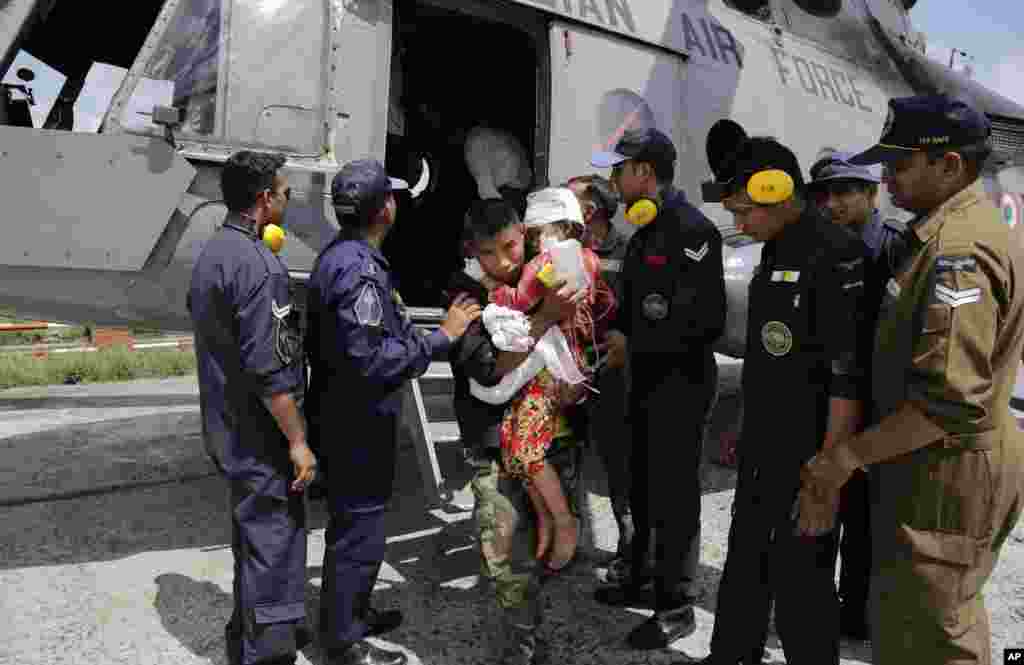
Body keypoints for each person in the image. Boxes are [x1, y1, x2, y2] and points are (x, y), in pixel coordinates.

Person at [796, 94, 1024, 665]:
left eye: (899, 166)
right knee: (904, 621)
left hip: (947, 473)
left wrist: (844, 458)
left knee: (935, 632)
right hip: (931, 464)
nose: (886, 179)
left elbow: (949, 401)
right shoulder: (941, 236)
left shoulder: (958, 251)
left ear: (949, 166)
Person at [696, 135, 871, 665]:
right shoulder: (775, 247)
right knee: (746, 558)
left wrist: (826, 475)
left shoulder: (837, 254)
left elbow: (847, 381)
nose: (741, 225)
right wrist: (742, 422)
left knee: (802, 581)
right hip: (762, 446)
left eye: (746, 212)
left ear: (779, 193)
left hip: (810, 453)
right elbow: (766, 353)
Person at [304, 159, 481, 665]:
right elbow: (371, 359)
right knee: (357, 530)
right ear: (385, 208)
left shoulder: (341, 257)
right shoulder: (358, 270)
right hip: (356, 422)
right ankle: (343, 643)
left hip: (346, 415)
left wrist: (427, 341)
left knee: (361, 526)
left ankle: (353, 614)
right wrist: (441, 339)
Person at [590, 127, 727, 650]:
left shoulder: (693, 233)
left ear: (644, 172)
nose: (613, 180)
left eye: (619, 170)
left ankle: (676, 606)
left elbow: (705, 321)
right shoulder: (643, 229)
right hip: (643, 380)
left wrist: (635, 344)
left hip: (680, 384)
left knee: (673, 495)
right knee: (643, 485)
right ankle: (641, 576)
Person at [188, 151, 316, 665]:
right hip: (261, 439)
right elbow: (271, 374)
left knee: (250, 543)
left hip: (226, 428)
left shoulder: (213, 253)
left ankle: (244, 644)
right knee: (274, 552)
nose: (288, 200)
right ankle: (268, 654)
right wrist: (299, 442)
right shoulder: (260, 267)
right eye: (284, 192)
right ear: (264, 200)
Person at [444, 199, 582, 665]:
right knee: (505, 562)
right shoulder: (465, 295)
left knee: (549, 557)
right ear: (472, 252)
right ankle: (518, 653)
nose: (503, 262)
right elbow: (488, 371)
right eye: (488, 254)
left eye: (509, 247)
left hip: (550, 438)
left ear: (522, 233)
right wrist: (544, 316)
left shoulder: (544, 269)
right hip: (494, 447)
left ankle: (535, 645)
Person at [473, 187, 617, 573]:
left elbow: (517, 300)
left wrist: (492, 290)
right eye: (533, 234)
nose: (538, 241)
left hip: (546, 370)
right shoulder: (589, 260)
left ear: (565, 226)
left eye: (540, 232)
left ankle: (563, 522)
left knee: (523, 450)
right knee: (520, 450)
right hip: (565, 365)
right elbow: (606, 308)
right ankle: (551, 522)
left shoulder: (549, 260)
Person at [807, 149, 907, 642]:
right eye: (827, 194)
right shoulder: (822, 246)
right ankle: (817, 602)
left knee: (865, 517)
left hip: (873, 404)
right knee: (821, 500)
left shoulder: (894, 247)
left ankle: (857, 612)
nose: (834, 203)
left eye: (846, 192)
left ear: (871, 194)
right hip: (826, 396)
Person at [565, 174, 636, 580]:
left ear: (590, 210)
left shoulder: (628, 249)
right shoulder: (564, 249)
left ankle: (629, 550)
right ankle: (565, 543)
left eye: (571, 200)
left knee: (617, 462)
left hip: (611, 375)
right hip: (569, 370)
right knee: (565, 459)